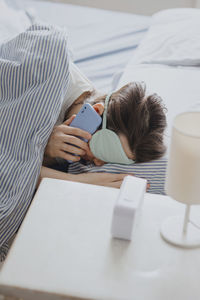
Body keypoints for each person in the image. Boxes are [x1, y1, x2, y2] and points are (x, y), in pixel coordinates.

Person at [39, 61, 167, 188]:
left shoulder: (77, 146)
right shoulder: (49, 84)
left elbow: (27, 169)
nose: (98, 163)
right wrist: (45, 145)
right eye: (101, 150)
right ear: (96, 111)